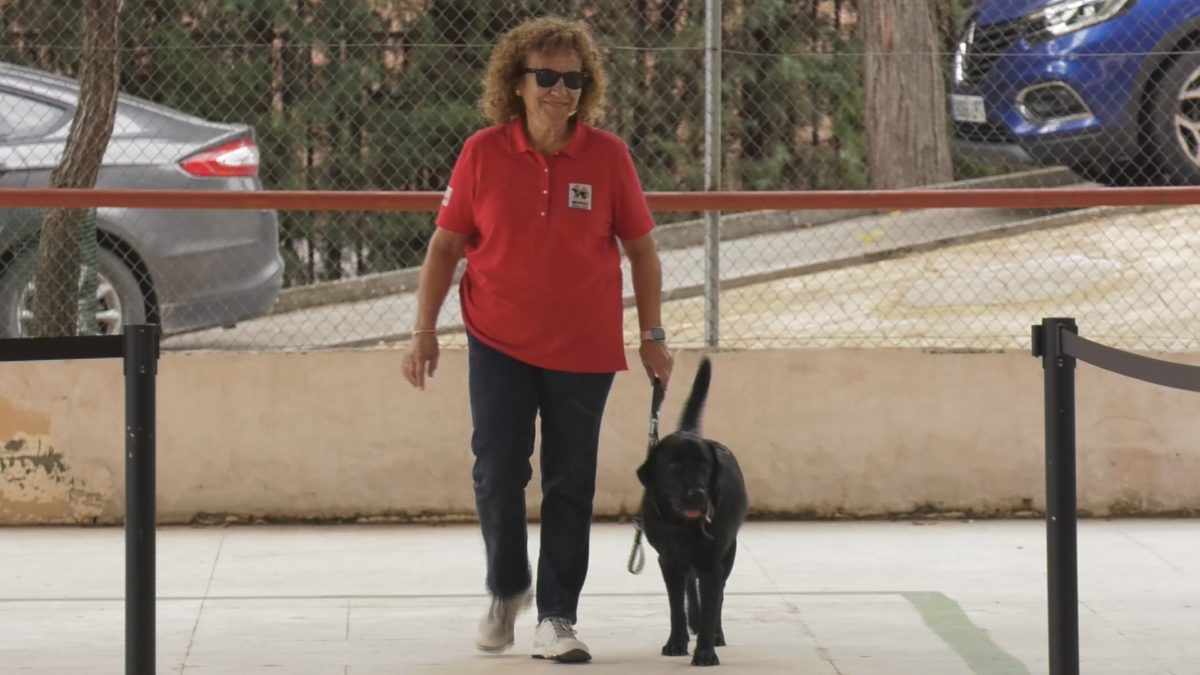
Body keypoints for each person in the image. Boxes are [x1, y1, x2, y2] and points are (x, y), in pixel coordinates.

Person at [400, 16, 673, 664]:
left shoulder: (608, 157)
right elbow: (444, 246)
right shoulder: (482, 153)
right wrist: (423, 330)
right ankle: (506, 588)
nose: (560, 90)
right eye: (545, 77)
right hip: (497, 339)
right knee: (497, 472)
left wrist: (653, 333)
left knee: (569, 481)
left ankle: (557, 617)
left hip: (584, 348)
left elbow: (643, 251)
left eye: (572, 80)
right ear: (515, 84)